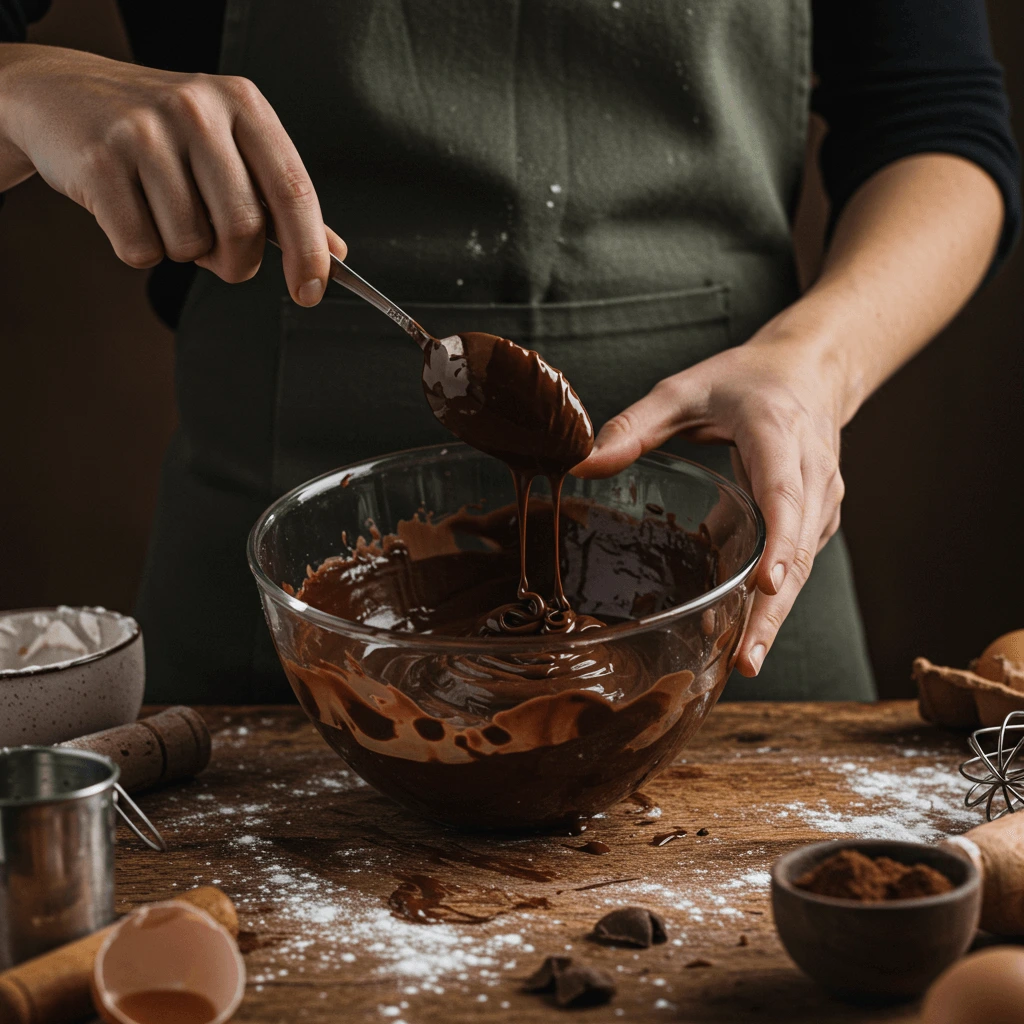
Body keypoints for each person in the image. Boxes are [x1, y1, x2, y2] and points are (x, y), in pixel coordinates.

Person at [0, 1, 1018, 703]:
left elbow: (936, 124)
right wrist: (26, 83)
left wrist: (817, 363)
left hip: (728, 602)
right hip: (274, 659)